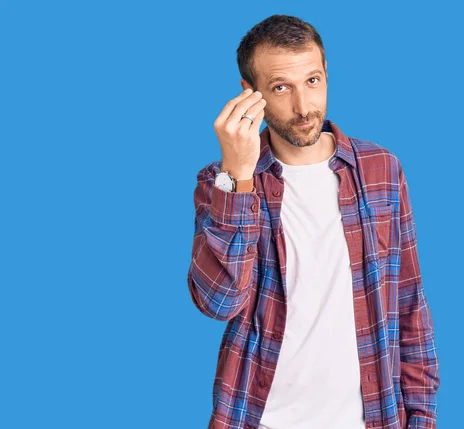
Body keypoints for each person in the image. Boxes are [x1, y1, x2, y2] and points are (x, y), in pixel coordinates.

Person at [187, 14, 440, 429]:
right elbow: (219, 302)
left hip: (371, 419)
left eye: (313, 81)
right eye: (281, 88)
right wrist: (238, 177)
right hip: (259, 419)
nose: (304, 107)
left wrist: (422, 417)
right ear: (251, 94)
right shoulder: (221, 182)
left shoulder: (381, 170)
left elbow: (410, 304)